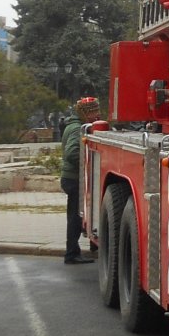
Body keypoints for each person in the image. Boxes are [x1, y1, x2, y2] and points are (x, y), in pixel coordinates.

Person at [61, 97, 100, 265]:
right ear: (85, 112)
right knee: (75, 218)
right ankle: (71, 254)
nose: (97, 114)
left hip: (71, 178)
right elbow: (71, 153)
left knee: (77, 216)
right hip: (74, 179)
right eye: (94, 111)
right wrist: (88, 163)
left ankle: (89, 246)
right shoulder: (77, 128)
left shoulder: (73, 125)